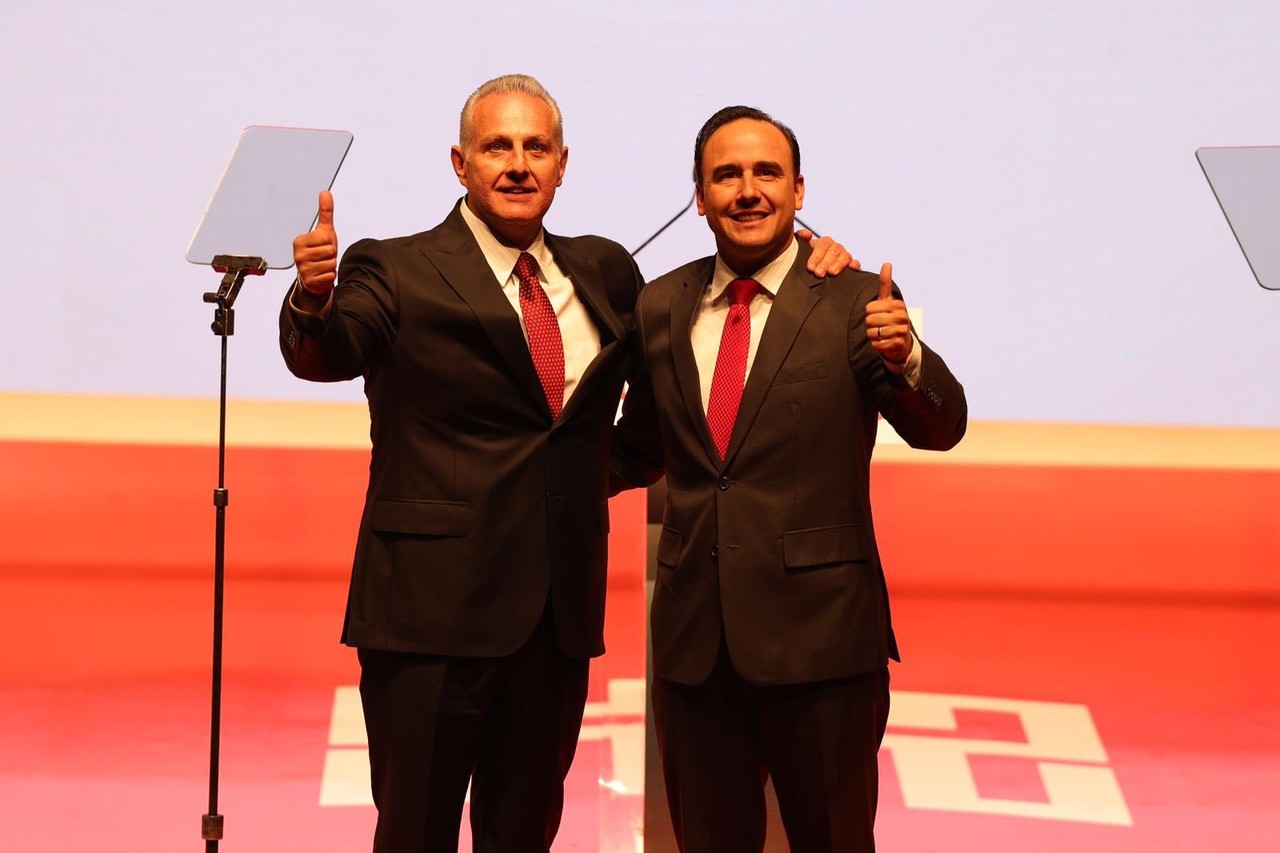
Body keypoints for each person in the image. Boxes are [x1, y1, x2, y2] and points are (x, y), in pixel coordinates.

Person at [280, 77, 853, 852]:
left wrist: (814, 261)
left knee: (524, 836)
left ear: (562, 163)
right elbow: (330, 351)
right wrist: (313, 299)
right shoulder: (395, 267)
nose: (518, 165)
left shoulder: (608, 273)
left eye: (535, 148)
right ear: (460, 163)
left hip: (553, 622)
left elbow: (653, 416)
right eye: (497, 147)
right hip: (426, 621)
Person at [610, 105, 968, 851]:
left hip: (825, 649)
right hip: (696, 651)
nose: (747, 190)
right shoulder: (661, 304)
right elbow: (640, 448)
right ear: (699, 195)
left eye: (766, 172)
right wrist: (517, 465)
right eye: (726, 175)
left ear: (799, 190)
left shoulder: (854, 299)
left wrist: (907, 360)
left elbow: (943, 426)